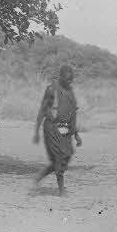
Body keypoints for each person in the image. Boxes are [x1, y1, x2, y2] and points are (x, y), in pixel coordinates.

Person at [32, 64, 81, 193]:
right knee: (59, 157)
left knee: (66, 155)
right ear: (61, 77)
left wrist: (76, 134)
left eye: (71, 80)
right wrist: (36, 132)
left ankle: (39, 177)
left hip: (65, 128)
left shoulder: (70, 92)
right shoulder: (51, 90)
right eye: (67, 79)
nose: (69, 82)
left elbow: (73, 113)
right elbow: (42, 110)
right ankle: (61, 190)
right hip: (51, 128)